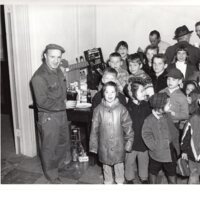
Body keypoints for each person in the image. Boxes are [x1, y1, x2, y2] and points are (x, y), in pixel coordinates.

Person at [31, 44, 71, 184]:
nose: (56, 60)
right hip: (48, 117)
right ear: (45, 56)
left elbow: (61, 89)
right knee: (49, 146)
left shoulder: (58, 70)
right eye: (52, 57)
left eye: (58, 57)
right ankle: (52, 175)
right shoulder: (38, 77)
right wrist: (64, 105)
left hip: (61, 114)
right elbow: (42, 102)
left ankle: (57, 166)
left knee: (62, 142)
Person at [89, 81, 134, 184]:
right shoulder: (98, 110)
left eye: (112, 92)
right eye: (107, 92)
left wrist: (129, 143)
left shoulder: (122, 109)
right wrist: (93, 146)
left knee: (119, 166)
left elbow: (128, 127)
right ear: (103, 93)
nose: (110, 95)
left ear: (116, 93)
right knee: (106, 166)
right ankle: (108, 182)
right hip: (104, 145)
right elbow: (94, 130)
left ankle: (119, 182)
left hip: (119, 145)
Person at [142, 93, 180, 184]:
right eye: (168, 104)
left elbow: (174, 131)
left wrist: (176, 146)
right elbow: (146, 134)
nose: (170, 105)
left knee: (172, 174)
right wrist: (154, 146)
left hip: (170, 153)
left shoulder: (168, 116)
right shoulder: (149, 120)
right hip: (156, 154)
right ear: (160, 106)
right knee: (153, 172)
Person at [125, 79, 151, 184]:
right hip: (131, 140)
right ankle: (129, 177)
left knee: (144, 160)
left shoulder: (147, 105)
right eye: (141, 91)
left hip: (144, 139)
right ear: (132, 94)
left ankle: (144, 177)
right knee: (129, 161)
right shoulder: (126, 108)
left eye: (144, 90)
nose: (144, 93)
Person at [181, 91, 200, 184]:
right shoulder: (194, 118)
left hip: (194, 154)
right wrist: (184, 150)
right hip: (193, 154)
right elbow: (186, 135)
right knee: (194, 174)